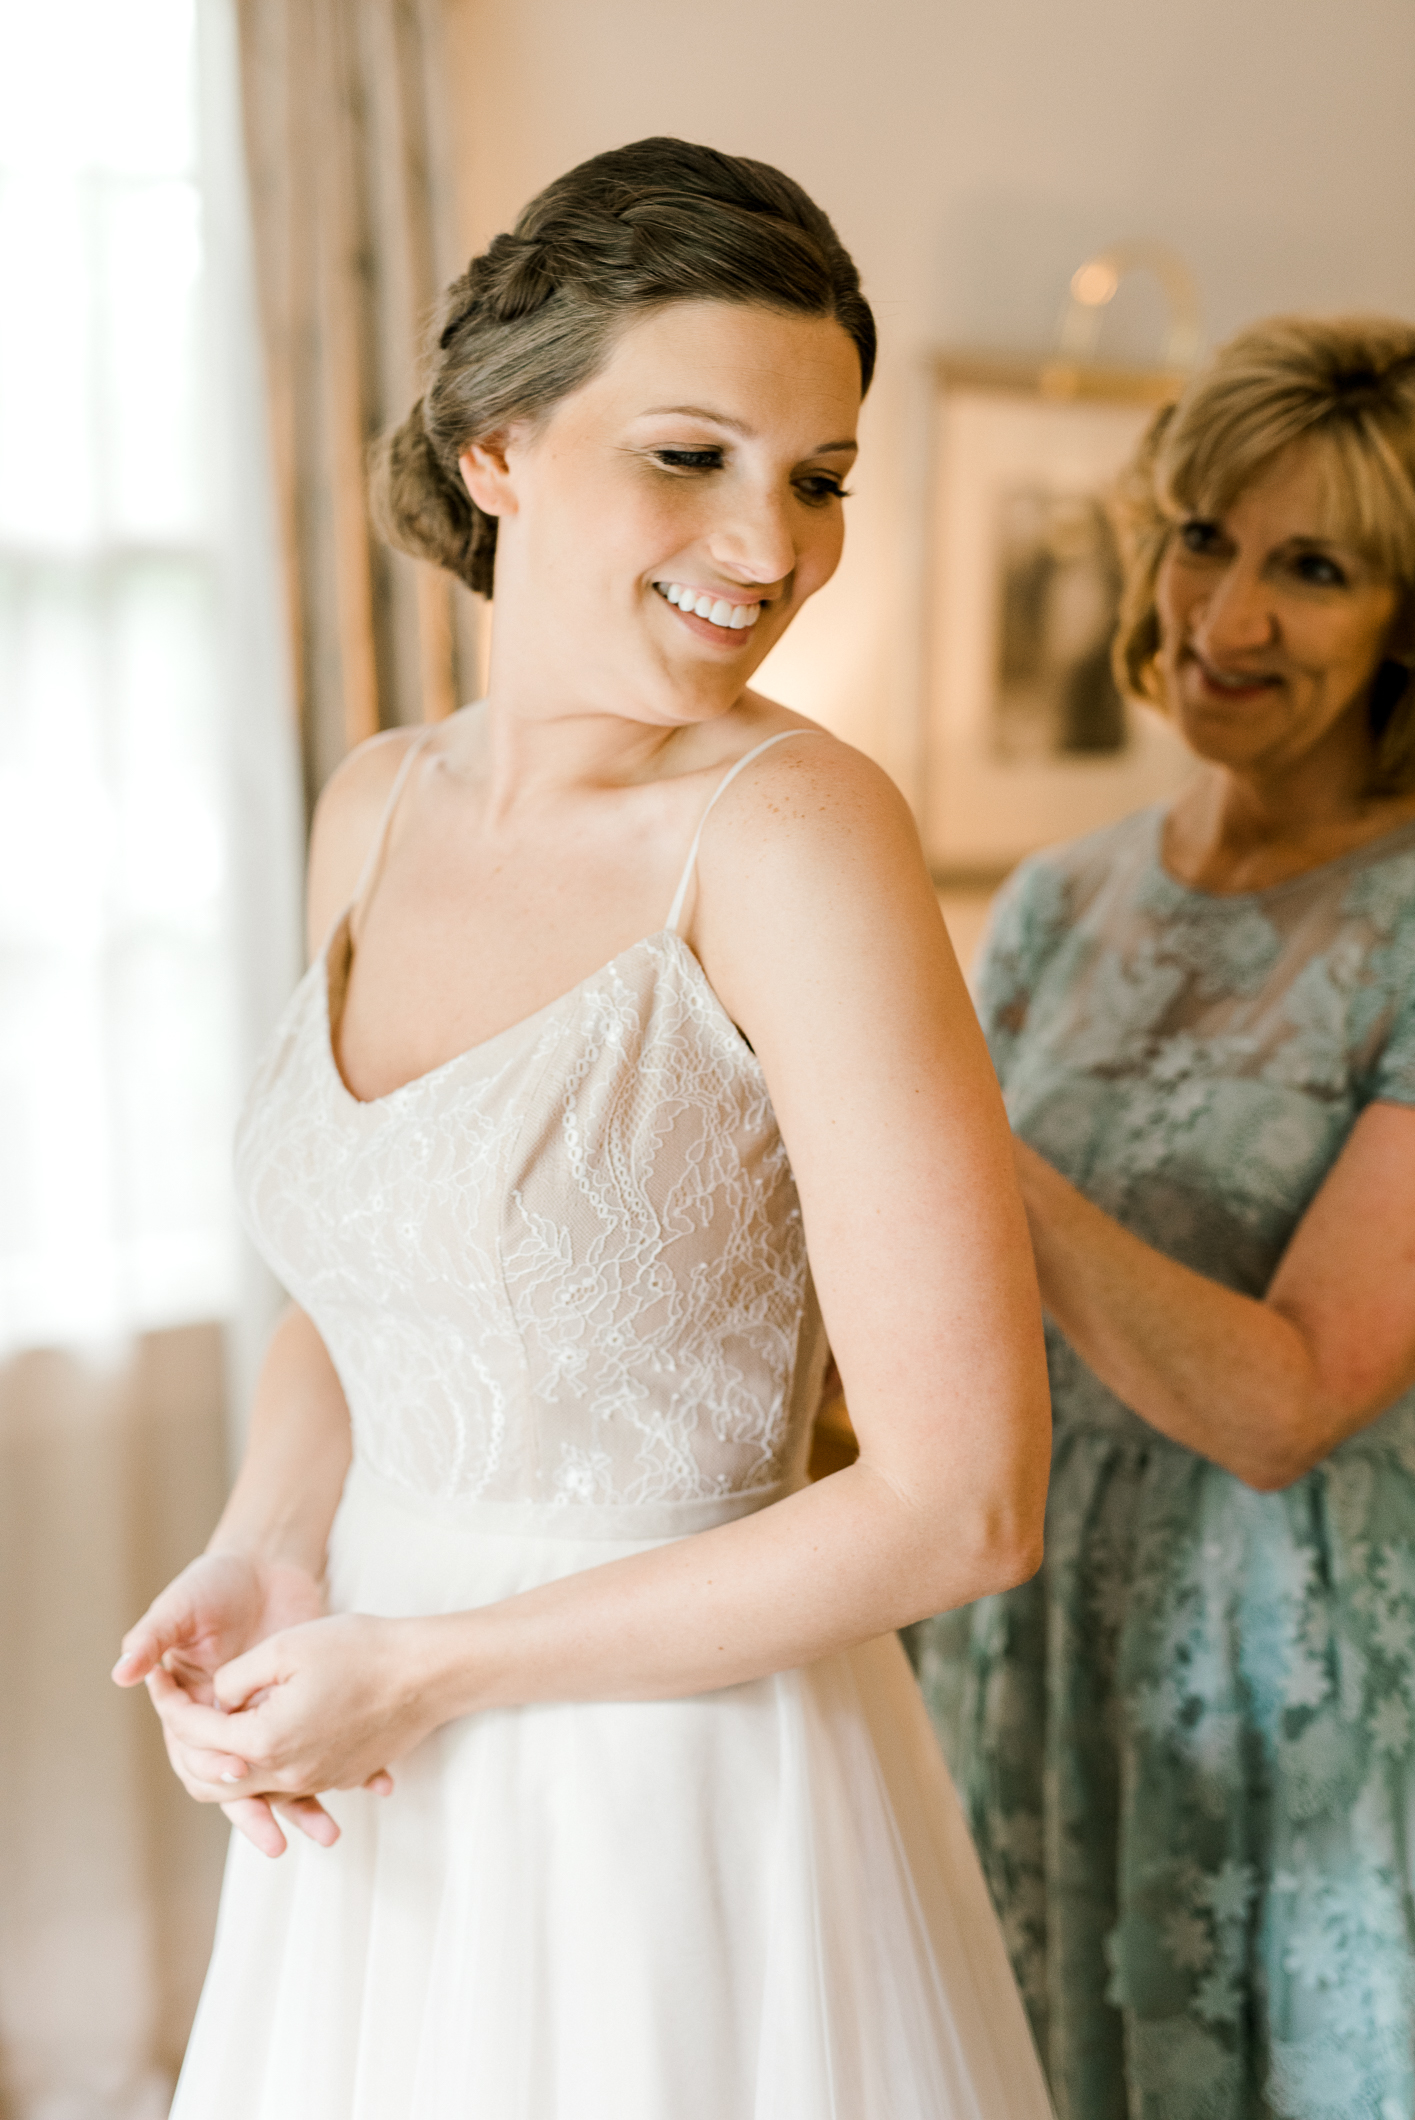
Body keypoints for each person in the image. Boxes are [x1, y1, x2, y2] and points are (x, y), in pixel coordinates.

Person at [112, 139, 1055, 2118]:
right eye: (693, 454)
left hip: (679, 1803)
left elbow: (964, 1500)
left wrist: (430, 1666)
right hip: (381, 1795)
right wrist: (268, 1548)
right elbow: (367, 1289)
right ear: (499, 449)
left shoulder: (797, 838)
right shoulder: (375, 803)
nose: (772, 542)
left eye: (818, 477)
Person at [908, 316, 1415, 2120]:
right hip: (1042, 1657)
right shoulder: (1055, 903)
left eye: (1316, 570)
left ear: (1406, 621)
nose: (1229, 617)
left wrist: (953, 1134)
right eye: (1204, 539)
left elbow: (1287, 1407)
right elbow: (924, 1297)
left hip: (1308, 1687)